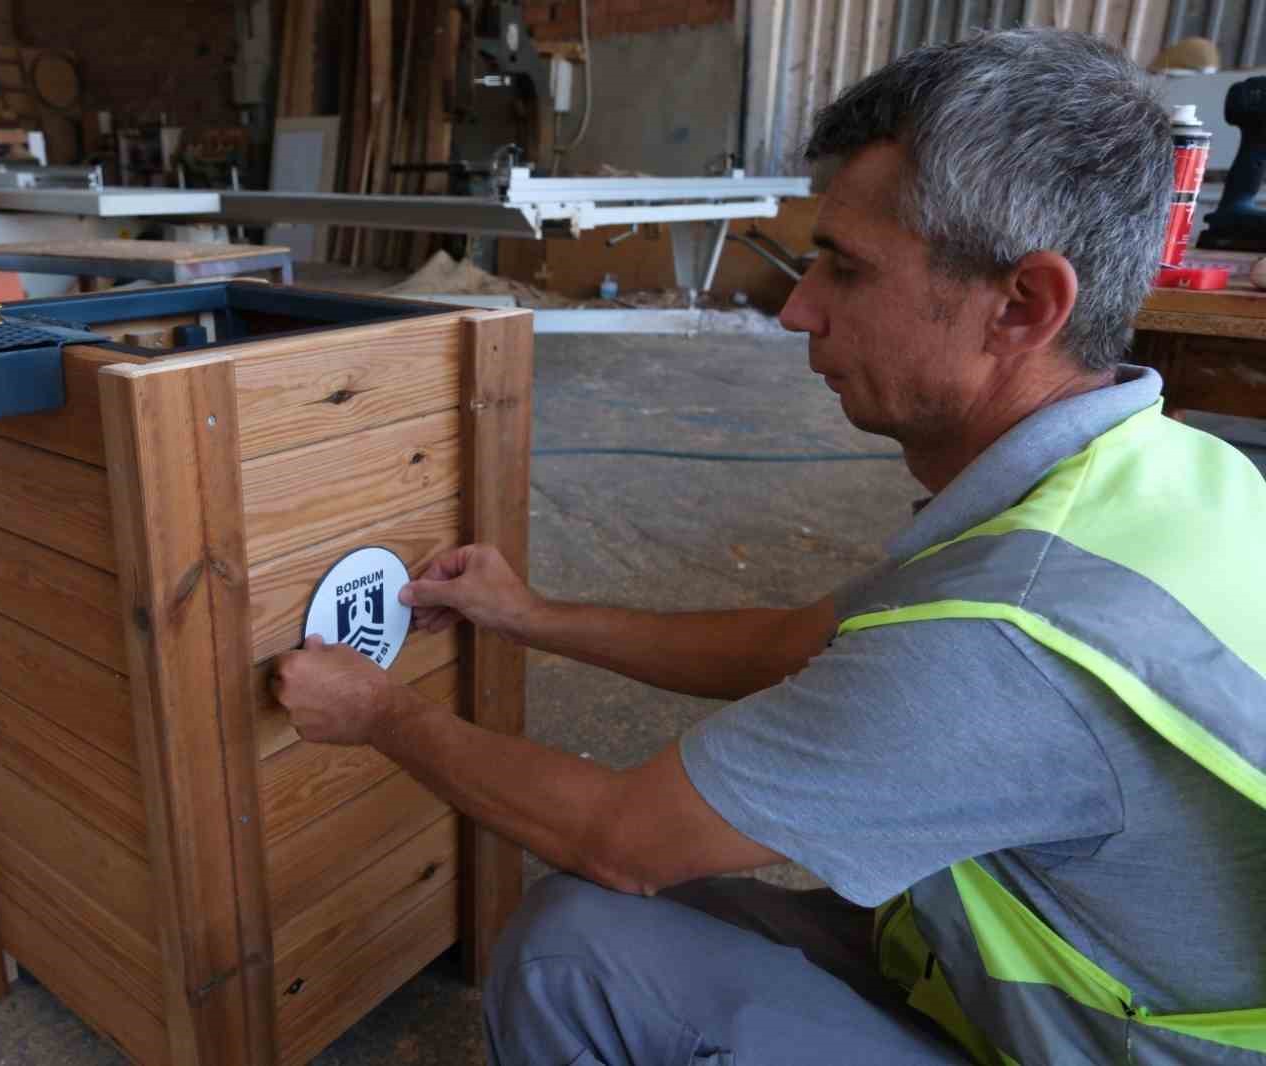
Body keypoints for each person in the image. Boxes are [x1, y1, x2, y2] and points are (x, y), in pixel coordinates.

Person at [274, 28, 1266, 1065]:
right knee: (676, 923)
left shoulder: (1004, 637)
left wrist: (379, 712)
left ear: (1022, 306)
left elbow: (620, 838)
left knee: (577, 954)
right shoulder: (1156, 472)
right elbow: (794, 643)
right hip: (1073, 992)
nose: (796, 309)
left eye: (846, 269)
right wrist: (525, 615)